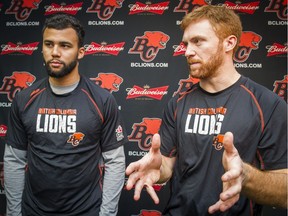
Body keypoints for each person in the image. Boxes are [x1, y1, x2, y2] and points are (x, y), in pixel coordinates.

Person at [125, 5, 287, 216]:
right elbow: (168, 165)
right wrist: (160, 168)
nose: (187, 51)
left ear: (229, 43)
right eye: (186, 43)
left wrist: (246, 176)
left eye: (198, 41)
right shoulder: (178, 103)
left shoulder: (268, 104)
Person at [4, 14, 127, 216]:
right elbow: (14, 160)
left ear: (80, 52)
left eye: (65, 46)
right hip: (34, 210)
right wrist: (14, 213)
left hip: (86, 210)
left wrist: (107, 214)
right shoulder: (24, 99)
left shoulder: (102, 100)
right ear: (41, 48)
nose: (55, 52)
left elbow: (114, 161)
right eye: (49, 44)